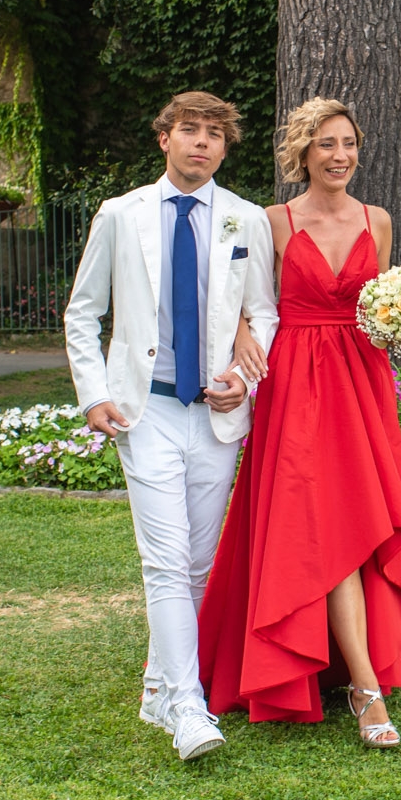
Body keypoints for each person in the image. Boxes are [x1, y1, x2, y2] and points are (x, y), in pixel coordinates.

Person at [198, 97, 401, 747]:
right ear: (303, 151)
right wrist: (243, 330)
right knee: (322, 528)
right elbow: (233, 294)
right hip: (295, 384)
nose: (340, 156)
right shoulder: (271, 220)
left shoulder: (375, 220)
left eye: (348, 143)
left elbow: (380, 303)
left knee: (350, 522)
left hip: (359, 384)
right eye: (326, 144)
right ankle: (365, 688)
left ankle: (352, 676)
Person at [65, 92, 278, 762]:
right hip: (146, 408)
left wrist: (244, 377)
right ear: (165, 138)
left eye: (215, 135)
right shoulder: (121, 216)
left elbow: (264, 312)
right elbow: (83, 312)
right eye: (190, 130)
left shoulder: (246, 219)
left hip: (215, 413)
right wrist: (94, 393)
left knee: (195, 565)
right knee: (164, 559)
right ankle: (189, 706)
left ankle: (159, 686)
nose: (202, 144)